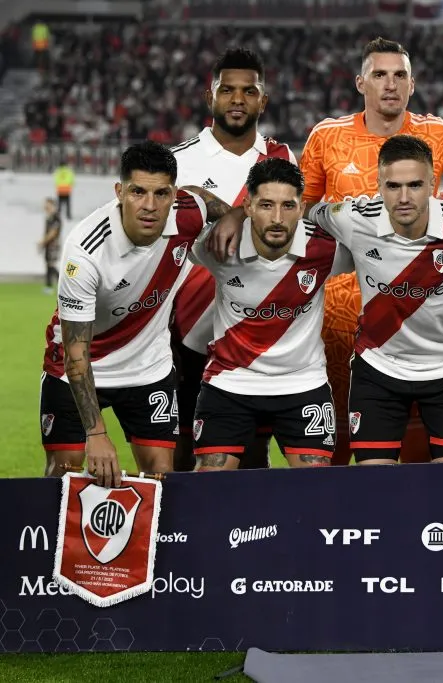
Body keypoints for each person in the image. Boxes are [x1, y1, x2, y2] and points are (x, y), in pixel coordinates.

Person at [300, 37, 443, 465]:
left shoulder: (438, 134)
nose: (390, 84)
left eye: (399, 75)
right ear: (361, 82)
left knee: (425, 450)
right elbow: (303, 215)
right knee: (342, 449)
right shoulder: (327, 136)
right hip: (341, 320)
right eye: (379, 75)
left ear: (412, 85)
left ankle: (418, 528)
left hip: (426, 317)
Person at [298, 135, 443, 464]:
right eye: (393, 186)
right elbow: (307, 212)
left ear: (432, 183)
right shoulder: (353, 218)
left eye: (415, 185)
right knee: (375, 487)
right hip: (378, 369)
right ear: (378, 185)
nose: (403, 198)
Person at [40, 141, 233, 488]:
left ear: (173, 194)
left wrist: (235, 216)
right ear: (119, 192)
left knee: (163, 478)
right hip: (79, 369)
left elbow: (202, 199)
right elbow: (76, 355)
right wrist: (96, 434)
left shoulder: (186, 213)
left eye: (161, 193)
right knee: (62, 477)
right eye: (137, 192)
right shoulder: (84, 252)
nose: (149, 205)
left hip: (147, 368)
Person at [169, 47, 297, 472]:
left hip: (255, 332)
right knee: (186, 450)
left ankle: (257, 537)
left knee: (254, 453)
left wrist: (237, 212)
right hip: (188, 332)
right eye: (227, 90)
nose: (237, 99)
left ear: (264, 100)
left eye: (248, 91)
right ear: (211, 98)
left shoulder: (281, 159)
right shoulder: (179, 161)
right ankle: (187, 538)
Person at [188, 158, 351, 471]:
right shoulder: (218, 245)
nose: (277, 218)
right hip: (230, 382)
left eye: (288, 206)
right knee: (207, 488)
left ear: (302, 207)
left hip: (302, 382)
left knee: (317, 493)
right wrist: (229, 213)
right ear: (248, 206)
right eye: (266, 205)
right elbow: (184, 198)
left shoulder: (327, 248)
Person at [39, 197, 61, 294]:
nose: (45, 206)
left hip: (53, 245)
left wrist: (43, 241)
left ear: (52, 205)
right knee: (48, 264)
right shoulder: (49, 217)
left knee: (51, 264)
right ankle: (49, 286)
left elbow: (53, 232)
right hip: (48, 245)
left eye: (47, 204)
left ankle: (63, 285)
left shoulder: (56, 217)